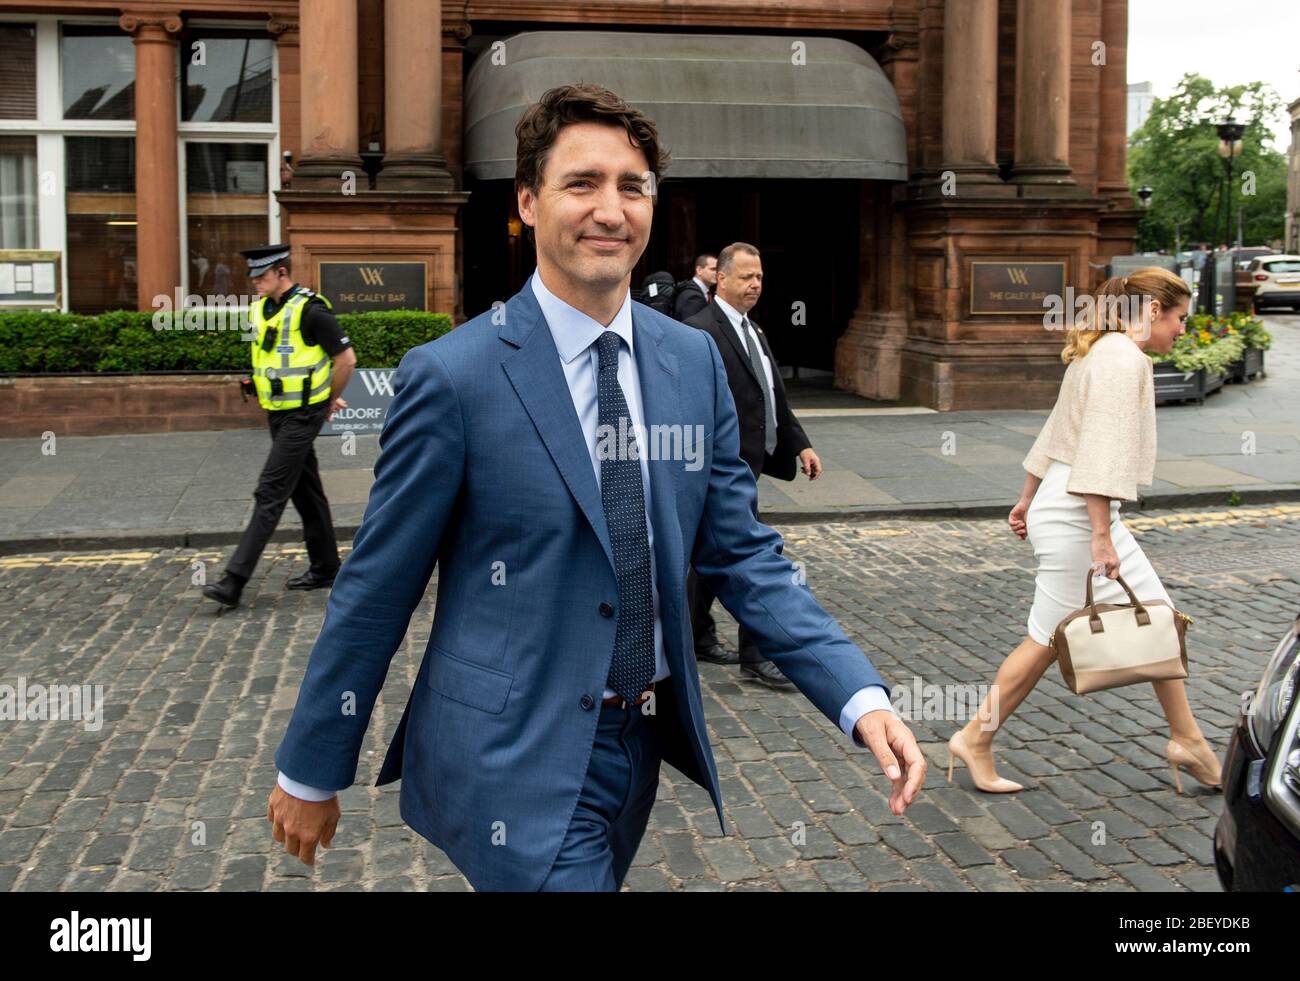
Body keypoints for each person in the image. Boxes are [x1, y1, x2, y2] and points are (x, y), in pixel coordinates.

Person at [267, 84, 924, 891]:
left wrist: (860, 694)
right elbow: (377, 584)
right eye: (581, 183)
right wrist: (310, 768)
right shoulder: (454, 377)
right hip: (510, 757)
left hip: (637, 748)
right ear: (528, 200)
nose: (609, 209)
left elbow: (741, 551)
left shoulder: (692, 363)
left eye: (632, 186)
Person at [949, 267, 1222, 795]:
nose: (1183, 329)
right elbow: (1097, 451)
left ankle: (1188, 739)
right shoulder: (1122, 359)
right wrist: (1100, 537)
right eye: (1180, 317)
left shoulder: (1103, 351)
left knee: (1156, 620)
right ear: (1152, 312)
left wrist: (1028, 497)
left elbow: (1056, 428)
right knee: (1048, 639)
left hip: (1073, 504)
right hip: (1080, 513)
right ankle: (974, 738)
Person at [683, 242, 823, 689]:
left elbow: (771, 396)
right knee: (755, 560)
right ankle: (758, 657)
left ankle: (695, 637)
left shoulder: (755, 331)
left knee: (707, 558)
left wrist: (800, 444)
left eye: (759, 277)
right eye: (746, 277)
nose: (755, 284)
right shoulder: (697, 330)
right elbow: (686, 403)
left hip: (751, 465)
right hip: (718, 470)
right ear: (720, 278)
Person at [202, 246, 357, 608]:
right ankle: (326, 567)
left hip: (303, 416)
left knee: (269, 492)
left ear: (282, 273)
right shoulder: (261, 309)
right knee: (306, 492)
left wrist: (325, 402)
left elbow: (345, 360)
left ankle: (233, 581)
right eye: (253, 277)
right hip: (278, 413)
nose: (255, 282)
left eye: (261, 276)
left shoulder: (311, 310)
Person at [672, 253, 716, 321]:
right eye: (713, 269)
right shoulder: (693, 297)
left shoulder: (703, 293)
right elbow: (691, 326)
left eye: (717, 270)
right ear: (699, 270)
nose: (717, 273)